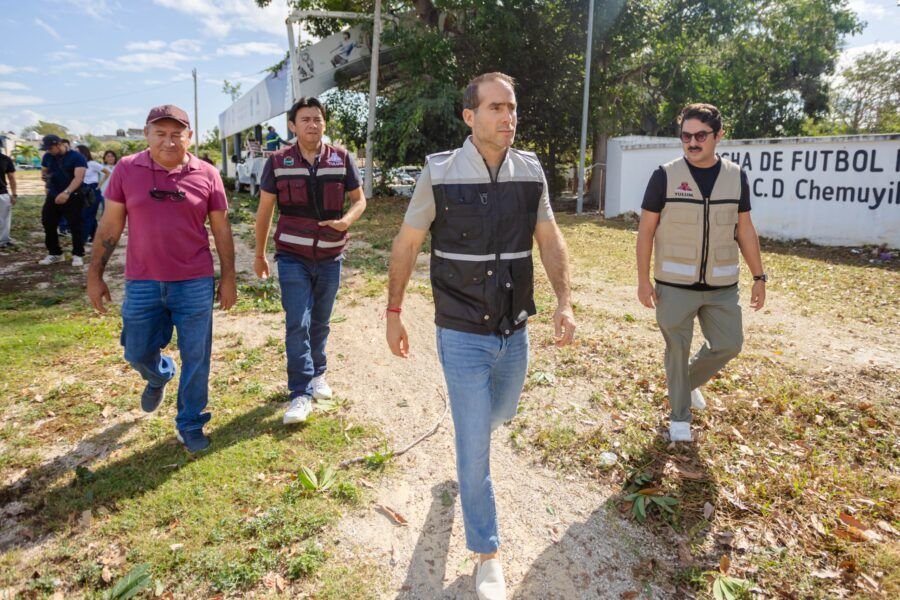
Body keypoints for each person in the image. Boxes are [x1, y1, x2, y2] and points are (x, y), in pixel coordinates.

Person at [385, 72, 575, 600]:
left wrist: (564, 302)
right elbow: (406, 244)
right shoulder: (440, 172)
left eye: (511, 108)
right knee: (475, 447)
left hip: (514, 330)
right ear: (470, 116)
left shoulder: (530, 170)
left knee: (502, 414)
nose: (507, 117)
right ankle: (486, 554)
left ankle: (471, 449)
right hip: (462, 329)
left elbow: (549, 239)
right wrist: (394, 310)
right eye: (495, 108)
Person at [86, 104, 237, 453]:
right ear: (147, 134)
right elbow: (110, 226)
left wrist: (228, 277)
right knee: (136, 351)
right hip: (143, 282)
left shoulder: (208, 174)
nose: (169, 141)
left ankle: (190, 421)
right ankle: (159, 373)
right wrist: (95, 275)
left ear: (189, 137)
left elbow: (221, 229)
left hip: (194, 281)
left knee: (197, 356)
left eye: (177, 134)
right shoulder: (127, 169)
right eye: (161, 133)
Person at [635, 103, 766, 443]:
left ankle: (684, 384)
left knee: (729, 344)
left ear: (718, 136)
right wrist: (642, 279)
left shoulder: (736, 176)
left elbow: (746, 229)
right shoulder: (665, 175)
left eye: (700, 136)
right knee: (676, 349)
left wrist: (759, 276)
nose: (692, 142)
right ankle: (679, 419)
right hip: (673, 285)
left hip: (722, 286)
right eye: (686, 136)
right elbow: (646, 230)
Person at [254, 97, 367, 425]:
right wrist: (260, 254)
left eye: (317, 119)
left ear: (324, 124)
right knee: (297, 322)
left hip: (331, 255)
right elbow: (265, 212)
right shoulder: (277, 162)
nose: (312, 124)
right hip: (292, 256)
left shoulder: (342, 158)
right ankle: (300, 393)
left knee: (321, 320)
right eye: (305, 119)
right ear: (292, 125)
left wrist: (346, 220)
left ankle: (318, 374)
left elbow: (359, 201)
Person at [38, 134, 87, 266]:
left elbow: (79, 178)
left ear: (59, 145)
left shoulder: (77, 157)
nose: (48, 151)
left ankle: (78, 254)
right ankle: (55, 253)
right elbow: (44, 170)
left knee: (75, 225)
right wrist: (45, 177)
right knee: (48, 222)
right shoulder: (48, 156)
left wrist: (66, 192)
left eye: (50, 148)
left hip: (73, 195)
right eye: (46, 148)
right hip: (53, 194)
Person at [77, 145, 105, 244]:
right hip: (82, 190)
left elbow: (107, 172)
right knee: (89, 215)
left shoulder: (92, 164)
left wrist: (99, 184)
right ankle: (94, 237)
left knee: (87, 215)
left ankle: (83, 239)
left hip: (92, 190)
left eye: (78, 152)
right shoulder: (78, 165)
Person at [0, 148, 16, 249]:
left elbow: (11, 177)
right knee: (4, 218)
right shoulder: (5, 159)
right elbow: (11, 178)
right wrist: (14, 194)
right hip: (1, 193)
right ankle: (3, 241)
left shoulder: (5, 159)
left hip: (2, 192)